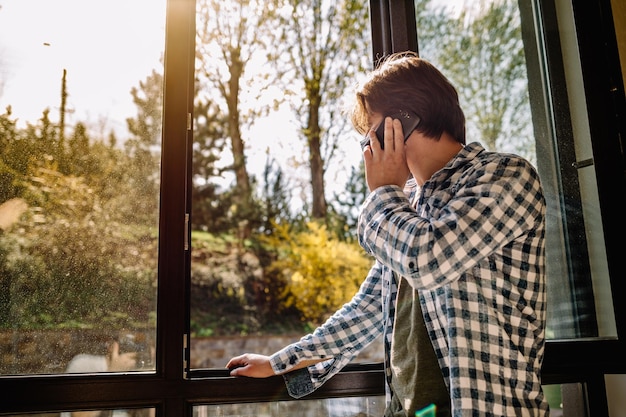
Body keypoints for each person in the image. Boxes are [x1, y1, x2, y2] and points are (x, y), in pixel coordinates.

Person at [227, 52, 549, 416]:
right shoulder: (405, 206)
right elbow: (367, 309)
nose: (367, 146)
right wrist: (279, 362)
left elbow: (430, 259)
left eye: (372, 132)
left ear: (403, 122)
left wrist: (382, 192)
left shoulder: (505, 176)